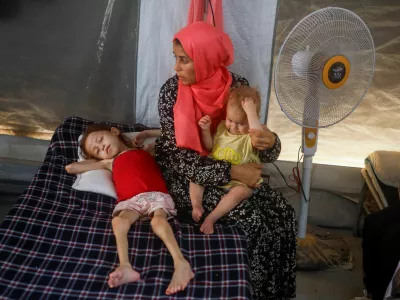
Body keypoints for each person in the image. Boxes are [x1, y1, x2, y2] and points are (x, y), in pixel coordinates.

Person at [154, 21, 297, 299]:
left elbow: (255, 142)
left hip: (235, 169)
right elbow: (177, 158)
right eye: (177, 59)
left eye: (184, 60)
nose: (176, 68)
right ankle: (254, 293)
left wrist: (271, 143)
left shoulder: (238, 87)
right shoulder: (171, 93)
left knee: (283, 215)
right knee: (252, 218)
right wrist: (232, 171)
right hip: (191, 178)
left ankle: (279, 292)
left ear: (208, 59)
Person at [65, 124, 194, 295]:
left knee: (158, 221)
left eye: (100, 140)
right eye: (97, 150)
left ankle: (181, 263)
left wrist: (147, 134)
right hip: (130, 201)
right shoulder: (110, 163)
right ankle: (125, 265)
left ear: (114, 131)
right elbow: (71, 168)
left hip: (155, 194)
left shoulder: (146, 150)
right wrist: (100, 162)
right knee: (118, 221)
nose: (102, 147)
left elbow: (175, 134)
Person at [189, 86, 264, 234]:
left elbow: (259, 135)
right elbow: (211, 147)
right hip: (216, 178)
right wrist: (205, 130)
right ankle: (196, 205)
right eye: (230, 120)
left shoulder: (251, 135)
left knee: (240, 192)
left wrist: (250, 112)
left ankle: (211, 218)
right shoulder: (223, 128)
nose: (234, 127)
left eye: (241, 123)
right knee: (195, 176)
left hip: (241, 183)